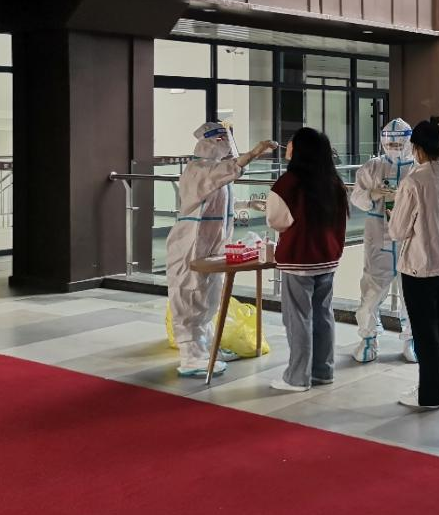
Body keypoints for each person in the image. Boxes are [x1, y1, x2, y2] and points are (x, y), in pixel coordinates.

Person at [166, 122, 273, 377]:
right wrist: (254, 152)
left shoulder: (212, 171)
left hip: (211, 245)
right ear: (210, 142)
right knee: (191, 298)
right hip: (191, 245)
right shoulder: (198, 170)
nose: (226, 145)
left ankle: (207, 349)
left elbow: (216, 200)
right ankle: (191, 357)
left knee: (209, 299)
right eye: (222, 140)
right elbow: (227, 171)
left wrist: (248, 204)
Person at [388, 117, 439, 410]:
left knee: (425, 333)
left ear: (418, 149)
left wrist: (392, 215)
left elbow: (397, 231)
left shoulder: (414, 182)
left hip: (420, 268)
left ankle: (430, 395)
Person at [265, 127, 348, 393]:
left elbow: (276, 221)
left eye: (291, 143)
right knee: (323, 315)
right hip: (327, 258)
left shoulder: (288, 183)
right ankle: (323, 371)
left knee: (298, 318)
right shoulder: (334, 182)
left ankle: (297, 377)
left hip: (299, 258)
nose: (287, 147)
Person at [349, 118, 417, 364]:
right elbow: (356, 197)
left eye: (399, 145)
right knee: (371, 292)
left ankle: (412, 339)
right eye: (390, 144)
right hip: (378, 238)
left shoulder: (418, 169)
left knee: (413, 294)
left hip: (410, 240)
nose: (395, 149)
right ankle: (368, 338)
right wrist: (373, 194)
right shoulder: (372, 167)